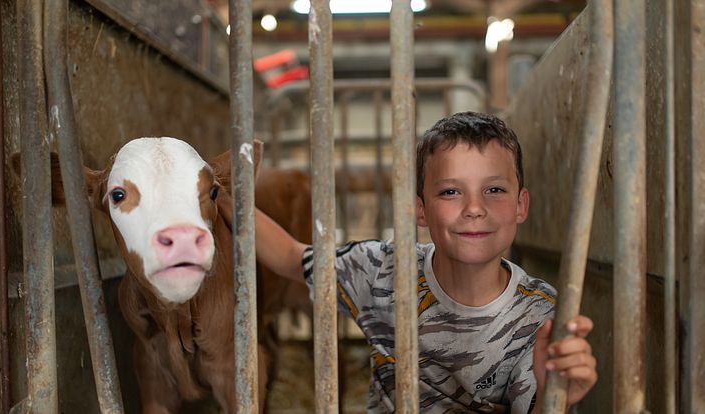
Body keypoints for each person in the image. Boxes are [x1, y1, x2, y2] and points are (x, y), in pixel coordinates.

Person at [220, 111, 597, 413]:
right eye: (451, 191)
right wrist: (215, 194)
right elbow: (288, 255)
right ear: (420, 210)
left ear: (521, 206)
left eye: (494, 190)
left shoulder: (540, 314)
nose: (475, 209)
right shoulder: (382, 270)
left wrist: (554, 398)